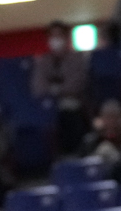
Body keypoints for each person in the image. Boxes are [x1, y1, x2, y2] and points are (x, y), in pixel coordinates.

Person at [32, 21, 91, 157]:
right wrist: (60, 90)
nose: (56, 39)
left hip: (73, 110)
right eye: (52, 36)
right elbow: (38, 87)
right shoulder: (43, 61)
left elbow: (76, 84)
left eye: (59, 35)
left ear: (66, 37)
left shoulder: (77, 59)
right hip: (49, 111)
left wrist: (55, 89)